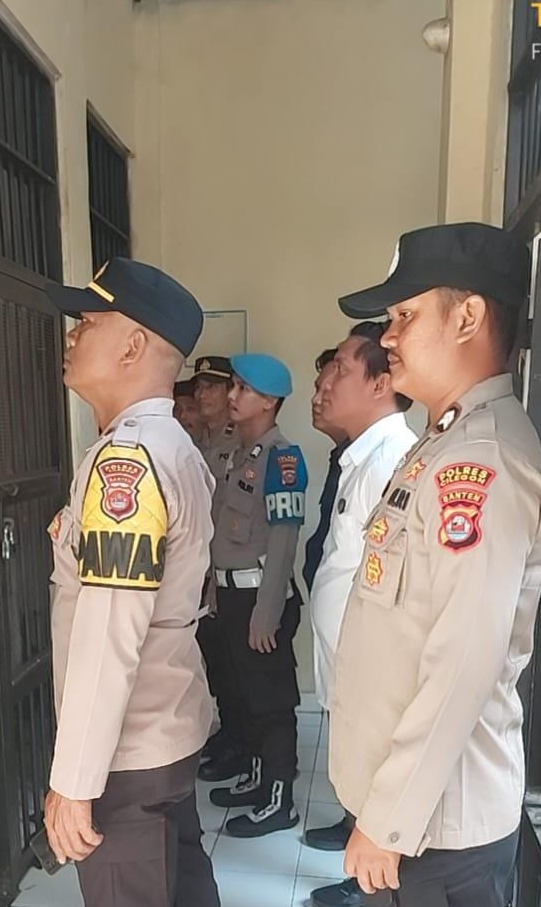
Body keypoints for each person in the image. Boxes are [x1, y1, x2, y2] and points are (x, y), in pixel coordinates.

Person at [324, 222, 541, 907]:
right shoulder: (443, 441)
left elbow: (464, 660)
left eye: (404, 315)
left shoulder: (481, 461)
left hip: (436, 830)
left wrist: (389, 820)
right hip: (417, 819)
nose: (388, 336)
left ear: (468, 317)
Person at [42, 258, 220, 907]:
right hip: (163, 730)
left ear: (133, 345)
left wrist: (75, 779)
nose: (71, 335)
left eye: (87, 322)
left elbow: (109, 630)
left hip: (127, 752)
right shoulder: (167, 445)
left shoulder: (129, 460)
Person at [304, 324, 416, 907]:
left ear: (380, 383)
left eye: (341, 370)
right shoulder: (364, 456)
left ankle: (367, 882)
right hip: (349, 660)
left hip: (371, 669)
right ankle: (359, 852)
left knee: (377, 776)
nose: (325, 382)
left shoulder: (391, 460)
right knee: (358, 772)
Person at [207, 353, 307, 838]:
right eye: (233, 385)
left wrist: (267, 613)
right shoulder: (233, 453)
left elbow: (284, 542)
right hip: (230, 596)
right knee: (242, 695)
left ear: (269, 402)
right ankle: (256, 777)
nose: (233, 395)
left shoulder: (282, 458)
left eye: (244, 389)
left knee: (271, 702)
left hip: (260, 599)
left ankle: (278, 800)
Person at [191, 355, 247, 783]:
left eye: (212, 386)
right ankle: (228, 734)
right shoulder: (197, 441)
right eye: (199, 386)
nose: (202, 394)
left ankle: (241, 746)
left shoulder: (240, 441)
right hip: (200, 572)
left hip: (228, 573)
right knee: (214, 662)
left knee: (235, 666)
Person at [301, 349, 348, 593]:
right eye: (317, 389)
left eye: (328, 391)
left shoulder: (378, 461)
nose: (316, 400)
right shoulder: (341, 457)